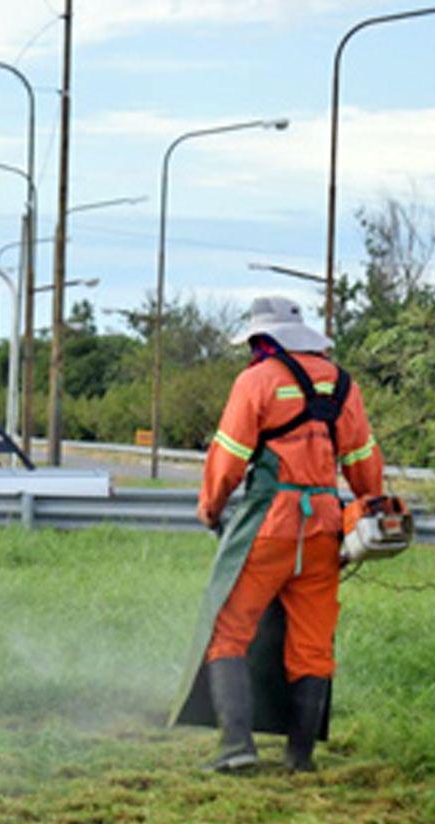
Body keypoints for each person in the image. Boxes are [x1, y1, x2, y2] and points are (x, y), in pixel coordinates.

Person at [168, 296, 384, 773]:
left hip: (269, 525)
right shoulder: (344, 385)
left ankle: (236, 747)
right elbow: (364, 462)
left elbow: (227, 460)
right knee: (312, 646)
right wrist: (369, 509)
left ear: (263, 340)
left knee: (228, 631)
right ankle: (300, 758)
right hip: (326, 529)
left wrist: (210, 510)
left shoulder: (256, 381)